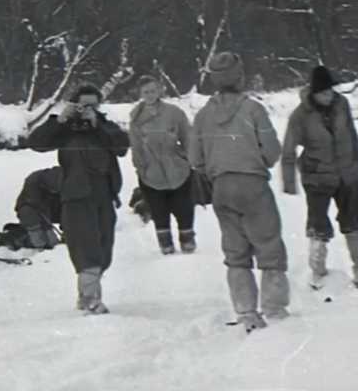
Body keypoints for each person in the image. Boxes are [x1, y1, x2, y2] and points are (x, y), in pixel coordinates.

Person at [191, 51, 289, 332]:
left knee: (235, 252)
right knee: (269, 246)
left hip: (221, 187)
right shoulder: (253, 109)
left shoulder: (202, 115)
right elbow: (272, 151)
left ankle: (246, 312)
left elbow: (195, 158)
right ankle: (275, 310)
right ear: (238, 76)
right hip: (254, 184)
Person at [28, 83, 129, 314]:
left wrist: (97, 124)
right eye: (83, 105)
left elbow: (122, 145)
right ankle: (90, 299)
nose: (87, 109)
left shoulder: (105, 126)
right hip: (75, 195)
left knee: (104, 249)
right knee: (86, 249)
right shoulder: (65, 130)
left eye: (93, 105)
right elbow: (36, 143)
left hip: (104, 194)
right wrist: (60, 121)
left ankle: (87, 295)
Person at [282, 65, 358, 289]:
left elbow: (351, 134)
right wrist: (289, 182)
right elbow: (288, 150)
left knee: (352, 221)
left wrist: (355, 162)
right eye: (323, 93)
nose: (328, 96)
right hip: (317, 178)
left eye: (330, 91)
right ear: (314, 93)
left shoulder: (341, 104)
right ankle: (318, 273)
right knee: (318, 226)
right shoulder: (300, 115)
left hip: (347, 174)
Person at [129, 75, 196, 254]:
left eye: (153, 90)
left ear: (160, 90)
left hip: (177, 168)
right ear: (140, 93)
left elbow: (188, 138)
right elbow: (136, 146)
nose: (150, 95)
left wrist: (188, 160)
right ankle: (165, 243)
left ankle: (187, 239)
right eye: (146, 92)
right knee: (159, 209)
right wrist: (141, 168)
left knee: (184, 207)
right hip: (151, 171)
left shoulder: (174, 113)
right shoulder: (136, 117)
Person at [13, 166, 62, 249]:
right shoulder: (34, 183)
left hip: (51, 209)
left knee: (53, 241)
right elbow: (39, 208)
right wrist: (47, 229)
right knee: (43, 242)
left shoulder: (68, 180)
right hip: (32, 212)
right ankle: (29, 240)